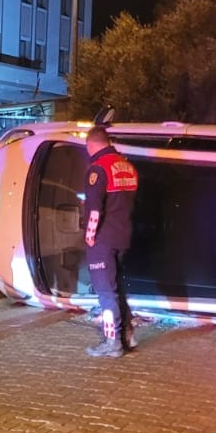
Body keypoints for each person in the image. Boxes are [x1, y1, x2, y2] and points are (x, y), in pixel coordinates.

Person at [82, 125, 139, 357]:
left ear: (91, 144)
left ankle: (112, 342)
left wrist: (90, 237)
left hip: (103, 240)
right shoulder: (127, 166)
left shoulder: (97, 168)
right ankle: (127, 335)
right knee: (117, 289)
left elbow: (95, 210)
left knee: (105, 293)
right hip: (123, 235)